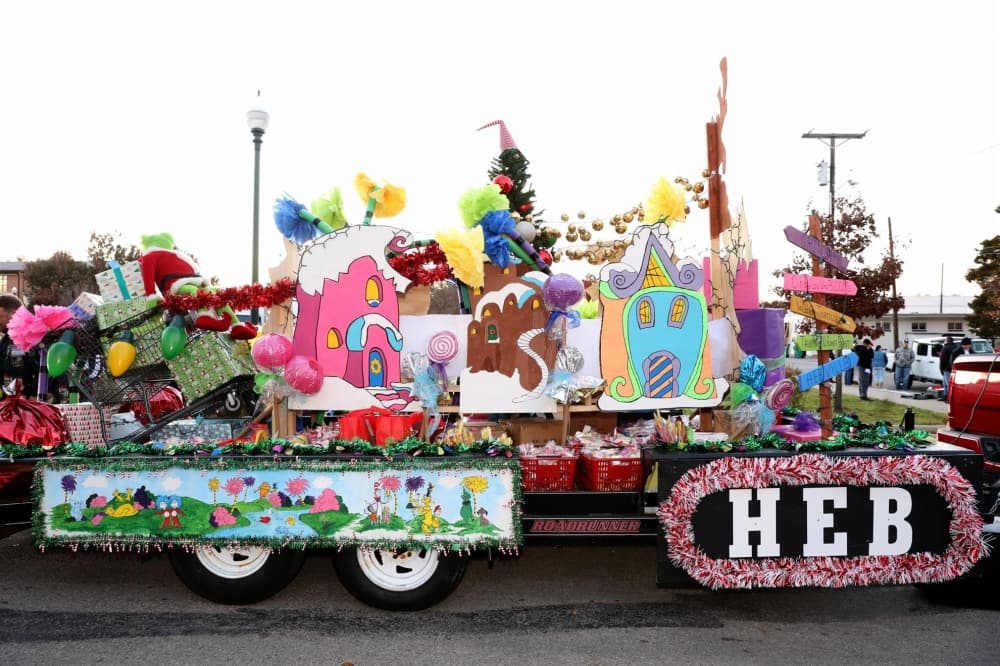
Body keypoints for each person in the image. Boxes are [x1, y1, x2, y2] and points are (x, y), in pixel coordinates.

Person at [0, 293, 40, 399]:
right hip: (9, 403)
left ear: (13, 314)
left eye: (0, 316)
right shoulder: (7, 339)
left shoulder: (32, 337)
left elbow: (43, 369)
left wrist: (34, 395)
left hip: (27, 405)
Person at [938, 335, 958, 401]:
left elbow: (942, 359)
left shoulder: (945, 348)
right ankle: (945, 396)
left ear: (947, 341)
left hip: (946, 368)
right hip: (954, 368)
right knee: (948, 383)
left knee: (947, 383)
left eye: (945, 340)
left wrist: (941, 369)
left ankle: (947, 397)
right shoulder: (956, 347)